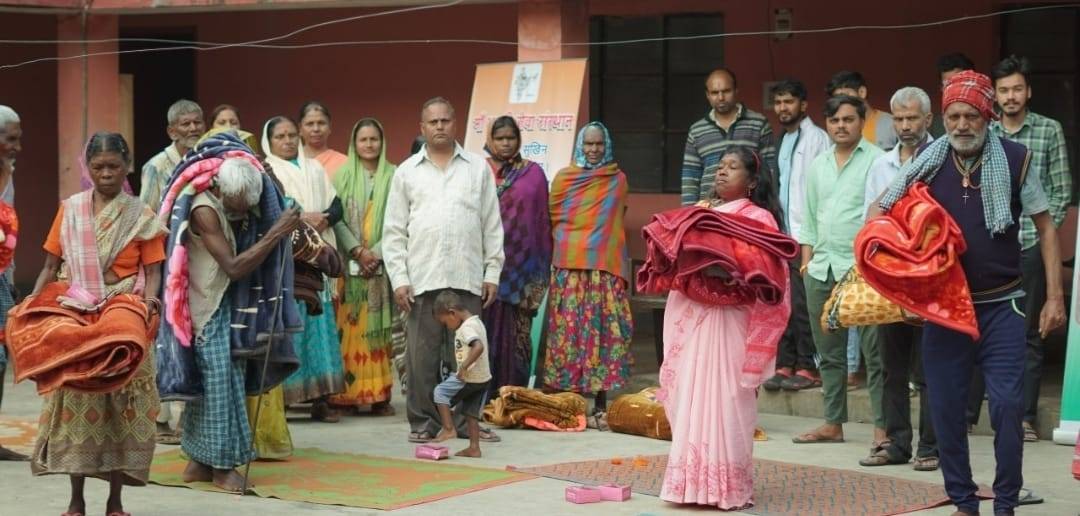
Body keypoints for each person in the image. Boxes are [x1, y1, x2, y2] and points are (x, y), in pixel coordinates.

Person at [870, 69, 1066, 516]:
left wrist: (1055, 297)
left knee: (1007, 408)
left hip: (1004, 305)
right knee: (945, 410)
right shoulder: (927, 163)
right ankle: (963, 501)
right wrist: (900, 282)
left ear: (987, 116)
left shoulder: (1017, 159)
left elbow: (1046, 225)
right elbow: (885, 212)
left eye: (971, 116)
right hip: (945, 310)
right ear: (944, 118)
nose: (961, 125)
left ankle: (1006, 503)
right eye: (954, 116)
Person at [28, 132, 168, 516]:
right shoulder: (70, 210)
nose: (106, 173)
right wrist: (31, 304)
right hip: (76, 308)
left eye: (114, 166)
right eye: (98, 167)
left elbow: (152, 271)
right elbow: (47, 266)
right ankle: (76, 500)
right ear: (87, 168)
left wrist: (149, 306)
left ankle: (115, 501)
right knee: (76, 402)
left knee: (121, 407)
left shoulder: (141, 215)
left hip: (124, 308)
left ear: (128, 167)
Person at [658, 146, 790, 510]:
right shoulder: (701, 211)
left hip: (733, 319)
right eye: (720, 166)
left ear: (751, 182)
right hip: (697, 314)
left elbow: (768, 272)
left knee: (729, 396)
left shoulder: (760, 218)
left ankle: (726, 488)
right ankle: (688, 485)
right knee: (691, 391)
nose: (722, 172)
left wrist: (727, 267)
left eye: (733, 167)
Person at [382, 97, 504, 444]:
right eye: (432, 122)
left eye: (445, 121)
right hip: (423, 279)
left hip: (465, 278)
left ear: (456, 124)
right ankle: (423, 421)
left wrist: (492, 271)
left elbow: (491, 224)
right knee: (421, 358)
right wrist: (400, 279)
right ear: (422, 128)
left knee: (470, 355)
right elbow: (393, 231)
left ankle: (468, 424)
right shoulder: (407, 171)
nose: (439, 127)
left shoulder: (477, 168)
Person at [175, 158, 301, 492]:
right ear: (220, 190)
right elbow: (232, 266)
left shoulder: (229, 198)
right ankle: (222, 466)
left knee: (223, 380)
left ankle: (199, 463)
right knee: (220, 385)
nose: (244, 214)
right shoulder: (205, 211)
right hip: (207, 305)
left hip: (223, 301)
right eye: (238, 207)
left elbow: (271, 205)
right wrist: (276, 233)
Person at [793, 95, 887, 448]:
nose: (841, 126)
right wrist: (806, 264)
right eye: (834, 121)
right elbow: (809, 219)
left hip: (863, 271)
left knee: (875, 354)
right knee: (828, 354)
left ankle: (883, 428)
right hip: (821, 268)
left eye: (848, 119)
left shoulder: (878, 162)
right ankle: (833, 423)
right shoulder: (817, 165)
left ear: (861, 120)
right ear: (827, 124)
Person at [989, 55, 1072, 443]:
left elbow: (1061, 190)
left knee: (1030, 334)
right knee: (984, 327)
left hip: (1033, 248)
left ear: (1029, 92)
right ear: (995, 94)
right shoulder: (986, 132)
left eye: (1017, 89)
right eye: (1004, 90)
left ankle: (1023, 416)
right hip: (991, 247)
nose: (1010, 96)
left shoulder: (1049, 130)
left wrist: (1042, 232)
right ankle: (977, 413)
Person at [860, 86, 939, 471]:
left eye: (913, 118)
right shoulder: (880, 165)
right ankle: (896, 443)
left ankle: (930, 447)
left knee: (930, 366)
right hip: (891, 275)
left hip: (932, 276)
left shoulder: (944, 159)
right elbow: (870, 220)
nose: (906, 126)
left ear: (928, 119)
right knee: (891, 365)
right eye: (900, 119)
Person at [543, 122, 633, 415]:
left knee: (602, 331)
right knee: (569, 334)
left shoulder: (617, 180)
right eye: (588, 145)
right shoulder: (564, 179)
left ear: (606, 146)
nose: (594, 150)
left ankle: (600, 401)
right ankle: (568, 400)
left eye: (599, 145)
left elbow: (615, 220)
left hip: (602, 269)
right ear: (579, 145)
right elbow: (553, 217)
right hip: (569, 266)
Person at [261, 115, 346, 422]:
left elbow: (336, 205)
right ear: (268, 142)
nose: (287, 141)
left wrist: (323, 219)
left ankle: (322, 399)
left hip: (318, 256)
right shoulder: (267, 169)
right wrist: (298, 222)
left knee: (320, 331)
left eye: (291, 135)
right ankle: (284, 400)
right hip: (288, 263)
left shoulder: (314, 167)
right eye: (280, 136)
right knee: (291, 329)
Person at [328, 118, 398, 415]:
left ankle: (379, 396)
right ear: (354, 144)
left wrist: (376, 253)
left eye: (374, 140)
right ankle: (348, 396)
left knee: (378, 331)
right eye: (363, 140)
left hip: (382, 267)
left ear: (382, 143)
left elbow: (400, 219)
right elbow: (336, 217)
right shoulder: (341, 176)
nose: (369, 145)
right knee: (348, 328)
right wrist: (357, 250)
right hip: (348, 266)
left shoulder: (395, 175)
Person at [762, 79, 827, 392]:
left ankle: (808, 366)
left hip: (806, 237)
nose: (783, 108)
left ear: (803, 104)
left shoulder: (816, 138)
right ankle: (785, 363)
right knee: (783, 303)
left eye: (789, 102)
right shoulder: (782, 140)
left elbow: (819, 191)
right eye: (778, 102)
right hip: (783, 235)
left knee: (803, 304)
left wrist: (811, 241)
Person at [481, 116, 552, 391]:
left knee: (515, 335)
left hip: (521, 270)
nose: (506, 143)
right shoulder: (478, 170)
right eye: (499, 138)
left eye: (510, 137)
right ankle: (481, 397)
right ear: (490, 140)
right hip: (483, 267)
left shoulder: (532, 173)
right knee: (483, 331)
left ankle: (514, 396)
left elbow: (542, 221)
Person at [681, 68, 777, 206]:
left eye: (726, 91)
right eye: (714, 92)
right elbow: (690, 176)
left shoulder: (758, 123)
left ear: (736, 90)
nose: (720, 97)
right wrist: (689, 214)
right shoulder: (697, 130)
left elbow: (769, 170)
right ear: (707, 95)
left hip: (749, 208)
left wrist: (764, 206)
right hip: (709, 211)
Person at [431, 290, 492, 458]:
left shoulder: (466, 328)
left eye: (445, 323)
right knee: (470, 413)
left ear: (452, 313)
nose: (447, 327)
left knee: (440, 392)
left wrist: (464, 366)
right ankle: (474, 448)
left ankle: (449, 429)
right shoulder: (477, 322)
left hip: (469, 377)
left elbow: (478, 347)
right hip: (483, 378)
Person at [0, 105, 25, 462]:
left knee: (2, 360)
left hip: (3, 279)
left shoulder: (9, 174)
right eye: (11, 139)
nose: (18, 146)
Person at [141, 99, 205, 213]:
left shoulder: (210, 160)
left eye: (197, 122)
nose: (193, 128)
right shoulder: (156, 166)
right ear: (172, 132)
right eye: (186, 124)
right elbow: (146, 216)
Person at [827, 71, 897, 150]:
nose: (841, 102)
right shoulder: (838, 130)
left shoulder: (891, 124)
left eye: (845, 96)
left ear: (862, 92)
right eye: (837, 98)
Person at [299, 101, 347, 179]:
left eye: (321, 123)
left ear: (330, 128)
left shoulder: (344, 162)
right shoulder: (290, 161)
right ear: (300, 129)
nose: (316, 129)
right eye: (310, 124)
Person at [932, 53, 975, 137]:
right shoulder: (936, 126)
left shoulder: (988, 117)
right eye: (948, 85)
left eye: (958, 83)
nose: (954, 90)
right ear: (942, 89)